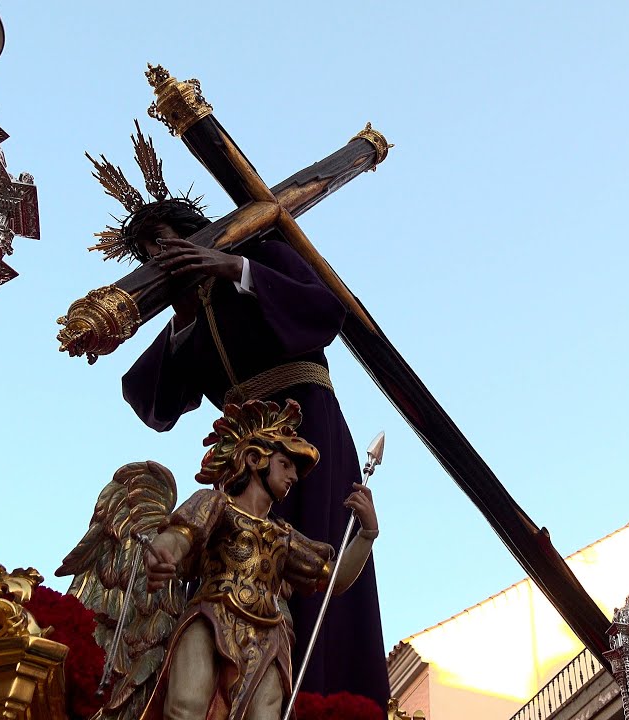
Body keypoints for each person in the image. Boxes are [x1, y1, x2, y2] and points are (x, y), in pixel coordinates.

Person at [82, 127, 389, 708]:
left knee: (310, 556)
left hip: (307, 429)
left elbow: (326, 311)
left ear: (193, 232)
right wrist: (179, 319)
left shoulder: (260, 255)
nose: (158, 255)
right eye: (147, 252)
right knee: (232, 564)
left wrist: (232, 270)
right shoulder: (186, 314)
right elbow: (154, 403)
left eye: (165, 240)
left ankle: (316, 696)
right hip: (240, 453)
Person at [140, 399, 380, 720]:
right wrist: (165, 552)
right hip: (211, 617)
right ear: (255, 459)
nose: (294, 475)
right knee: (186, 707)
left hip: (267, 638)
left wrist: (367, 534)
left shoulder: (283, 536)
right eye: (286, 463)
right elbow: (184, 533)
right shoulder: (217, 505)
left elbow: (334, 579)